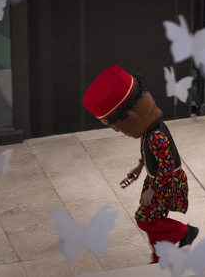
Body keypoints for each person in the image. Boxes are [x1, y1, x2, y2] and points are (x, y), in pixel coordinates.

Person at [82, 65, 198, 263]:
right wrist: (138, 168)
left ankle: (185, 232)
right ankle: (160, 256)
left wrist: (152, 189)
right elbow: (149, 155)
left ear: (132, 117)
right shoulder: (149, 133)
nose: (118, 131)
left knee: (146, 219)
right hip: (157, 182)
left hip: (165, 184)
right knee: (151, 219)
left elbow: (166, 168)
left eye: (116, 126)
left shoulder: (156, 137)